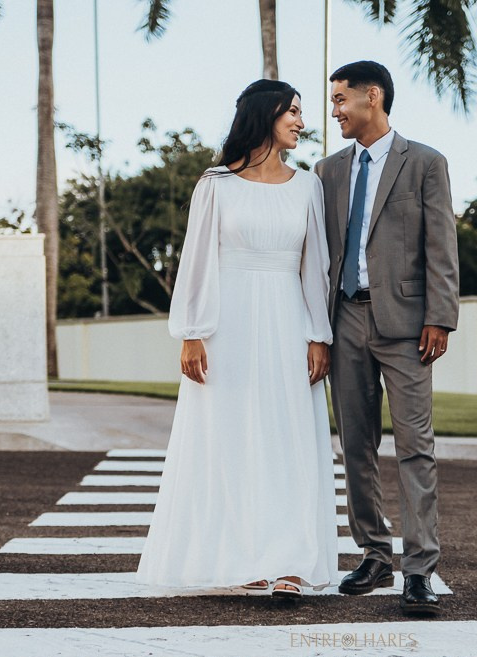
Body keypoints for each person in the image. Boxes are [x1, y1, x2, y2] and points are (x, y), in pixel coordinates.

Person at [135, 79, 338, 599]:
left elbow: (316, 266)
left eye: (300, 112)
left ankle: (292, 561)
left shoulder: (307, 185)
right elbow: (197, 262)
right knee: (230, 441)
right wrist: (192, 333)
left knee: (289, 439)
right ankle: (243, 557)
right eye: (291, 111)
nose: (301, 120)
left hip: (289, 321)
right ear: (265, 114)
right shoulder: (215, 184)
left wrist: (319, 334)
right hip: (229, 327)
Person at [314, 61, 460, 616]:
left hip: (405, 325)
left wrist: (439, 317)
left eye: (340, 100)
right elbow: (320, 254)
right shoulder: (327, 171)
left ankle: (419, 569)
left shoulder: (424, 162)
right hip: (344, 319)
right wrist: (317, 330)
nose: (335, 111)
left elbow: (441, 247)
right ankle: (374, 553)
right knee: (355, 444)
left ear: (372, 96)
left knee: (414, 447)